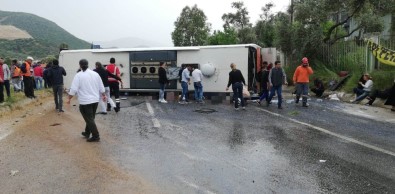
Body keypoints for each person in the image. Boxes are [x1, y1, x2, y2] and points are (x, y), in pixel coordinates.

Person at [66, 59, 106, 142]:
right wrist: (103, 95)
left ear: (80, 65)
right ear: (87, 64)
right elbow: (101, 86)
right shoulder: (95, 74)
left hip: (85, 101)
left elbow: (73, 89)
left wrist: (69, 98)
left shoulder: (79, 75)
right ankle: (87, 132)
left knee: (89, 119)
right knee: (91, 118)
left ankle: (96, 136)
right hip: (95, 100)